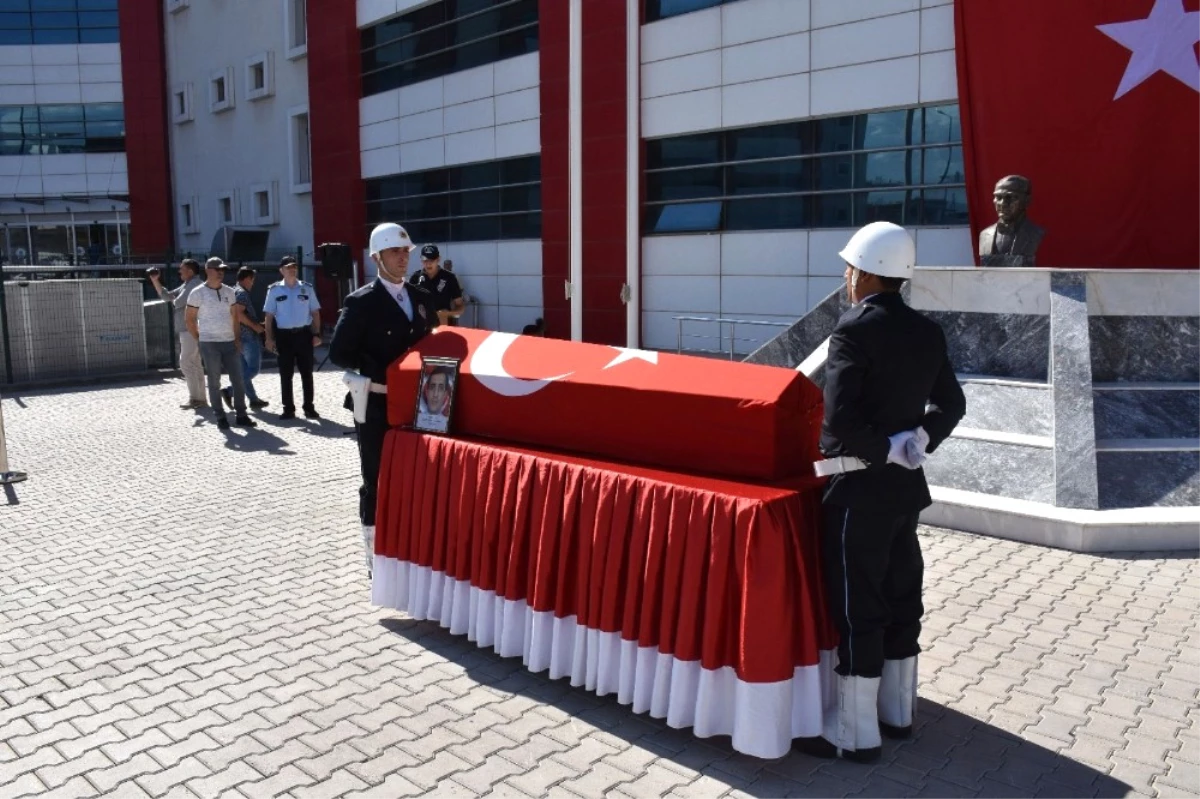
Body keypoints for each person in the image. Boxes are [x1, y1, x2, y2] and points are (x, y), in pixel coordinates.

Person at [808, 221, 965, 763]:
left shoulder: (853, 329)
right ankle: (897, 713)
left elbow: (839, 425)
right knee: (903, 593)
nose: (847, 278)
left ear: (866, 273)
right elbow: (953, 404)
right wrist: (915, 441)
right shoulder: (928, 331)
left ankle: (855, 732)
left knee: (859, 604)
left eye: (850, 268)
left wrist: (880, 447)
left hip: (858, 491)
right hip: (905, 489)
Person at [328, 223, 439, 576]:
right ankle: (375, 553)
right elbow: (340, 352)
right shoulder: (361, 302)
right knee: (376, 480)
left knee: (417, 478)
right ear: (377, 257)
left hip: (419, 405)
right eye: (395, 252)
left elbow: (434, 344)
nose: (403, 257)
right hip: (377, 404)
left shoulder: (421, 298)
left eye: (406, 251)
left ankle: (411, 550)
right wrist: (379, 367)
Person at [185, 258, 256, 430]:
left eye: (223, 269)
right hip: (209, 344)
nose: (221, 272)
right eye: (218, 269)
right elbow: (189, 319)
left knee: (238, 380)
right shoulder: (197, 293)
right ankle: (220, 416)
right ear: (208, 270)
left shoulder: (230, 292)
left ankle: (241, 415)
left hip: (230, 342)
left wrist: (237, 339)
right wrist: (200, 339)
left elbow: (235, 318)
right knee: (214, 382)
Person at [264, 255, 322, 420]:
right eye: (288, 267)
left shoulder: (306, 288)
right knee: (286, 374)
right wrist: (269, 338)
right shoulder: (275, 290)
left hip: (304, 335)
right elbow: (268, 316)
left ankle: (309, 407)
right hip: (284, 337)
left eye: (294, 267)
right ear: (281, 270)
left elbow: (315, 312)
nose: (292, 269)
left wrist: (316, 334)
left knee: (307, 373)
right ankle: (288, 408)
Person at [149, 258, 207, 409]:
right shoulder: (188, 284)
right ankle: (200, 398)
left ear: (191, 271)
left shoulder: (194, 284)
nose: (179, 271)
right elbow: (167, 297)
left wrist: (175, 299)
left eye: (182, 268)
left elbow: (177, 302)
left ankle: (196, 398)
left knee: (186, 362)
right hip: (188, 328)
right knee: (194, 363)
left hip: (191, 328)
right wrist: (156, 281)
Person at [221, 267, 269, 410]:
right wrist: (256, 327)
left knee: (244, 371)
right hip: (247, 336)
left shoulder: (232, 291)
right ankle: (229, 391)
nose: (252, 284)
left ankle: (253, 399)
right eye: (252, 280)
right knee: (253, 369)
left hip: (236, 335)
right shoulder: (242, 293)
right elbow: (239, 315)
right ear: (247, 278)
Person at [978, 175, 1045, 267]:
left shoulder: (1035, 233)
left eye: (1011, 197)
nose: (1002, 203)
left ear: (1027, 200)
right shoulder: (985, 235)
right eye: (998, 197)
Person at [409, 244, 464, 326]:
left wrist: (447, 313)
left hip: (443, 326)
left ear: (438, 259)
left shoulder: (449, 277)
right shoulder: (415, 277)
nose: (428, 264)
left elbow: (460, 306)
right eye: (425, 260)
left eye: (432, 260)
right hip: (422, 328)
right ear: (421, 260)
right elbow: (409, 305)